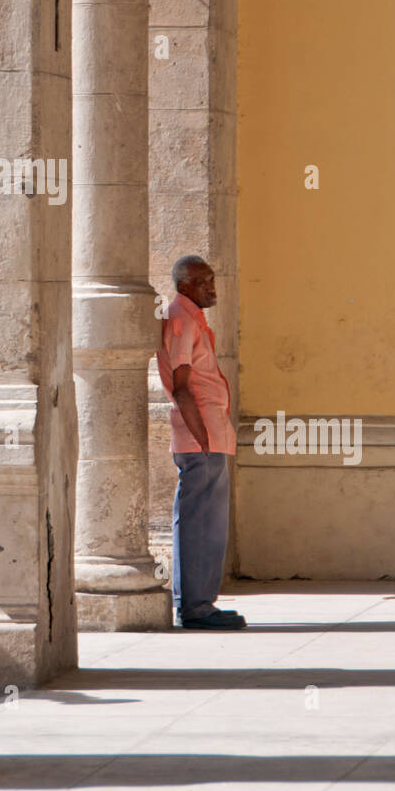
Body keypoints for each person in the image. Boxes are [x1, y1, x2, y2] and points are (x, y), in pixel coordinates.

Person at [157, 255, 246, 630]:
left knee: (208, 523)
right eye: (203, 281)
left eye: (212, 279)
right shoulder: (180, 319)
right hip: (200, 437)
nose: (212, 287)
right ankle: (194, 607)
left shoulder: (192, 317)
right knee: (198, 523)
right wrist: (202, 439)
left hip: (209, 434)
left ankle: (201, 603)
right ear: (183, 286)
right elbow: (181, 387)